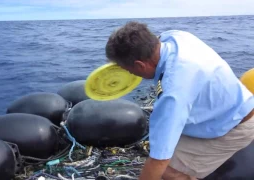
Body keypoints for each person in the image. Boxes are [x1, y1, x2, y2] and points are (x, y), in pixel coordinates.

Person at [105, 21, 254, 180]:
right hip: (229, 107)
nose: (131, 75)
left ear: (140, 65)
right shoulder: (176, 37)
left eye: (129, 70)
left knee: (165, 171)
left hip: (235, 127)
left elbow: (158, 162)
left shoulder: (173, 92)